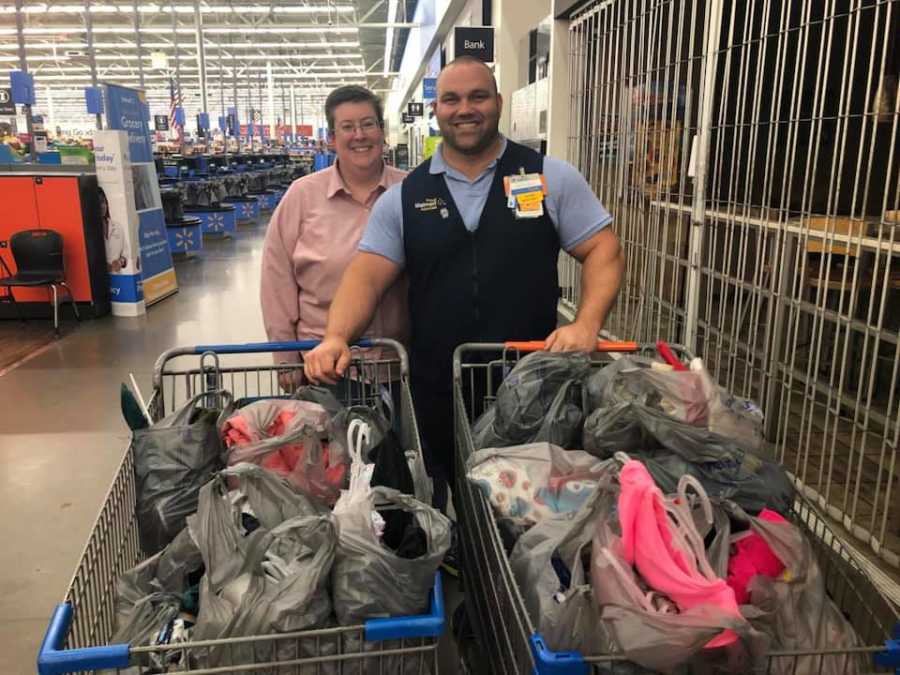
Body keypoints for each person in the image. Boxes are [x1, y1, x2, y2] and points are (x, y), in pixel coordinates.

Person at [303, 57, 625, 511]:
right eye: (451, 99)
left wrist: (588, 322)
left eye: (478, 96)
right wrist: (336, 336)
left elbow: (603, 250)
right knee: (443, 486)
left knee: (531, 497)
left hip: (533, 379)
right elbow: (366, 276)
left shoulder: (549, 176)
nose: (465, 109)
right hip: (439, 382)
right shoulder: (406, 198)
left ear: (497, 102)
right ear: (436, 109)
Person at [260, 85, 408, 390]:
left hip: (401, 364)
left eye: (368, 124)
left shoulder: (412, 191)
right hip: (324, 368)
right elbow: (277, 283)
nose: (360, 135)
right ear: (331, 138)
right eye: (347, 127)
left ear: (382, 131)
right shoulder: (302, 196)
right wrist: (286, 360)